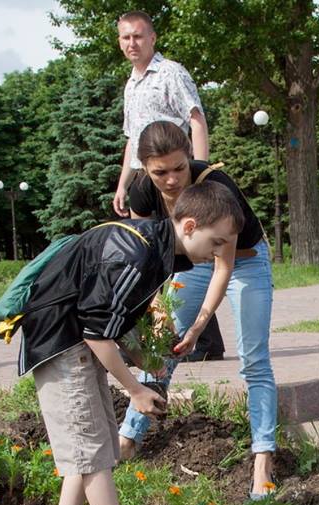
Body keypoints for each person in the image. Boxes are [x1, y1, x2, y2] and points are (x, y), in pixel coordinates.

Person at [15, 181, 245, 505]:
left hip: (77, 342)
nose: (219, 252)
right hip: (62, 346)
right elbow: (96, 330)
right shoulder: (137, 254)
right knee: (91, 452)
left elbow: (116, 317)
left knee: (94, 445)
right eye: (218, 241)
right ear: (189, 226)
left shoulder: (159, 252)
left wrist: (143, 359)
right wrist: (135, 389)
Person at [117, 121, 277, 499]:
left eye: (178, 167)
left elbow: (224, 265)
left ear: (189, 154)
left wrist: (199, 326)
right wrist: (157, 312)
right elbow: (148, 255)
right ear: (143, 168)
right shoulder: (142, 192)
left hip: (243, 261)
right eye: (160, 172)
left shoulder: (217, 184)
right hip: (189, 262)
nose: (172, 180)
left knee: (254, 359)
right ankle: (128, 439)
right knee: (162, 347)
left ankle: (263, 459)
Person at [113, 10, 224, 361]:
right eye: (125, 37)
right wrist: (123, 184)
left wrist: (200, 174)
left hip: (176, 177)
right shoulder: (131, 84)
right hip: (145, 180)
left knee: (185, 250)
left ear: (152, 38)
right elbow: (132, 140)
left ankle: (199, 340)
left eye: (138, 36)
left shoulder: (170, 72)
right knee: (153, 254)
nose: (132, 43)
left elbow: (196, 118)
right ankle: (202, 342)